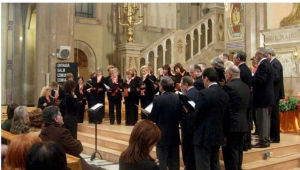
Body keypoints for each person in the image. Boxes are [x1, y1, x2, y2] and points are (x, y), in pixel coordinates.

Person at [193, 67, 230, 170]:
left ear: (206, 78)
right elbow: (227, 117)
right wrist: (225, 135)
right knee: (215, 163)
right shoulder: (224, 94)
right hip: (218, 134)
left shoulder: (203, 94)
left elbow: (197, 115)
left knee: (203, 164)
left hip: (203, 135)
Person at [38, 106, 97, 170]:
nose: (62, 117)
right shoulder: (61, 132)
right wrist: (78, 142)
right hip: (64, 164)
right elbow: (77, 148)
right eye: (60, 115)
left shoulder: (43, 130)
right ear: (56, 119)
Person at [148, 76, 182, 170]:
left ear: (161, 86)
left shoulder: (158, 99)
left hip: (161, 133)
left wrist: (148, 115)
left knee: (162, 161)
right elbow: (181, 116)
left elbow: (153, 118)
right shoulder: (178, 98)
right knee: (174, 161)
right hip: (174, 133)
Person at [222, 65, 249, 170]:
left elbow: (224, 106)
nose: (225, 75)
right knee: (239, 150)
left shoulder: (228, 87)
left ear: (229, 74)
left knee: (230, 153)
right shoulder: (245, 86)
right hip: (243, 123)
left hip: (231, 124)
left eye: (225, 73)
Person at [252, 47, 275, 148]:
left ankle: (264, 141)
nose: (255, 56)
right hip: (265, 97)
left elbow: (261, 81)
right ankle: (264, 139)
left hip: (263, 97)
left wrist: (251, 78)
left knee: (263, 120)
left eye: (256, 54)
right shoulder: (266, 63)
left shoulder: (264, 64)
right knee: (264, 120)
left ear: (261, 54)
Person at [233, 51, 253, 151]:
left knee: (245, 121)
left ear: (238, 59)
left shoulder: (240, 70)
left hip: (242, 100)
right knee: (247, 121)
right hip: (247, 98)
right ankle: (247, 143)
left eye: (234, 58)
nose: (233, 60)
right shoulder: (247, 69)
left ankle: (245, 143)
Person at [179, 76, 197, 170]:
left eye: (181, 86)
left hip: (187, 127)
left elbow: (184, 113)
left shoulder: (186, 96)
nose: (181, 88)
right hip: (197, 126)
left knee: (187, 149)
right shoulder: (198, 92)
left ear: (186, 85)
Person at [267, 48, 285, 143]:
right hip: (274, 93)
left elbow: (276, 78)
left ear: (270, 54)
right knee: (273, 115)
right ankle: (273, 136)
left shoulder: (275, 63)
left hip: (275, 93)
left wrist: (266, 80)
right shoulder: (274, 63)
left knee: (274, 116)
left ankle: (274, 137)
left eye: (266, 55)